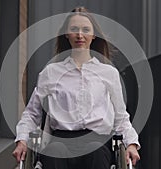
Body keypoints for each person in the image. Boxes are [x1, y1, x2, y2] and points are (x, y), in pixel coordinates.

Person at [13, 6, 140, 169]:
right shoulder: (51, 72)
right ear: (66, 34)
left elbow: (121, 117)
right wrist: (22, 140)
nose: (80, 35)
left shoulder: (108, 73)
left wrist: (131, 144)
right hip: (60, 140)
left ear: (94, 35)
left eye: (85, 29)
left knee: (94, 152)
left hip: (96, 142)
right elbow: (31, 114)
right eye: (74, 29)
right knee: (55, 151)